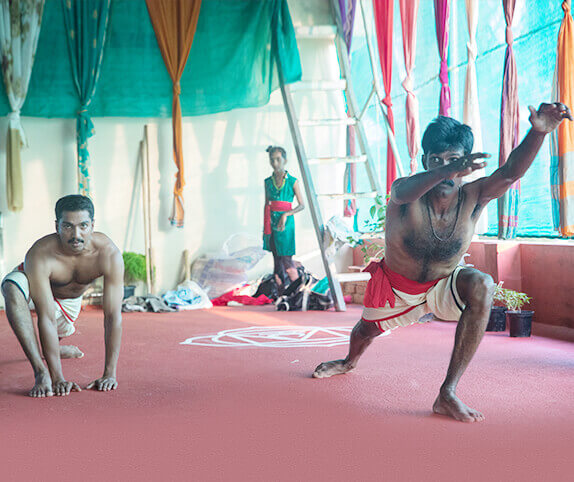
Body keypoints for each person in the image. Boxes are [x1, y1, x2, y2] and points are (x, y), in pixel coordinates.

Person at [313, 102, 572, 423]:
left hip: (444, 284)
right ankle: (349, 361)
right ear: (424, 162)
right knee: (364, 332)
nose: (448, 168)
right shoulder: (405, 192)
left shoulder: (474, 196)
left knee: (483, 284)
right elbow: (402, 191)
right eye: (437, 160)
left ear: (467, 164)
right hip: (397, 288)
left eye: (455, 160)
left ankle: (447, 392)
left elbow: (510, 173)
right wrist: (449, 169)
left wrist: (538, 132)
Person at [1, 195, 124, 398]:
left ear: (92, 225)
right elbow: (46, 317)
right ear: (57, 226)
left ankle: (54, 349)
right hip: (35, 290)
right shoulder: (40, 252)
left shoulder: (108, 254)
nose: (76, 234)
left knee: (54, 337)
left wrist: (109, 374)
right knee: (12, 287)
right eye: (67, 226)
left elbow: (113, 316)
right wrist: (57, 378)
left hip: (69, 302)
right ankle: (41, 371)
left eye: (83, 225)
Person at [263, 145, 305, 288]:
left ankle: (298, 289)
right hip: (272, 223)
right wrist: (266, 228)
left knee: (286, 258)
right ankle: (282, 294)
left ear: (285, 160)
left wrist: (286, 214)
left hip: (286, 224)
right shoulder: (267, 182)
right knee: (276, 260)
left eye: (278, 159)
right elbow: (266, 205)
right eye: (272, 160)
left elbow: (301, 205)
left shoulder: (293, 181)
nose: (275, 163)